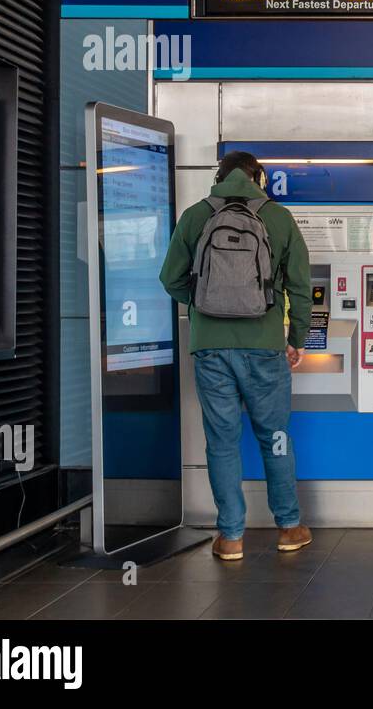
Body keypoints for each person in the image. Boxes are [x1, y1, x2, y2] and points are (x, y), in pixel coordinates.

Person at [159, 150, 313, 561]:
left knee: (222, 441)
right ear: (257, 177)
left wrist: (201, 307)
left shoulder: (195, 216)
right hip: (264, 346)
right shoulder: (278, 218)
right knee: (274, 436)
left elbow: (169, 278)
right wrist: (296, 336)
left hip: (210, 347)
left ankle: (230, 537)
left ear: (219, 177)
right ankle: (289, 527)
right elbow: (299, 285)